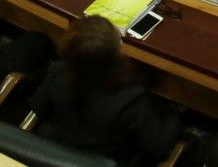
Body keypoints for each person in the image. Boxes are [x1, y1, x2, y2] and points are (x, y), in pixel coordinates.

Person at [27, 16, 182, 167]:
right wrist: (174, 112)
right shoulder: (129, 97)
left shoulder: (57, 71)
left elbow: (39, 107)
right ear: (115, 54)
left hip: (56, 154)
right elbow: (159, 148)